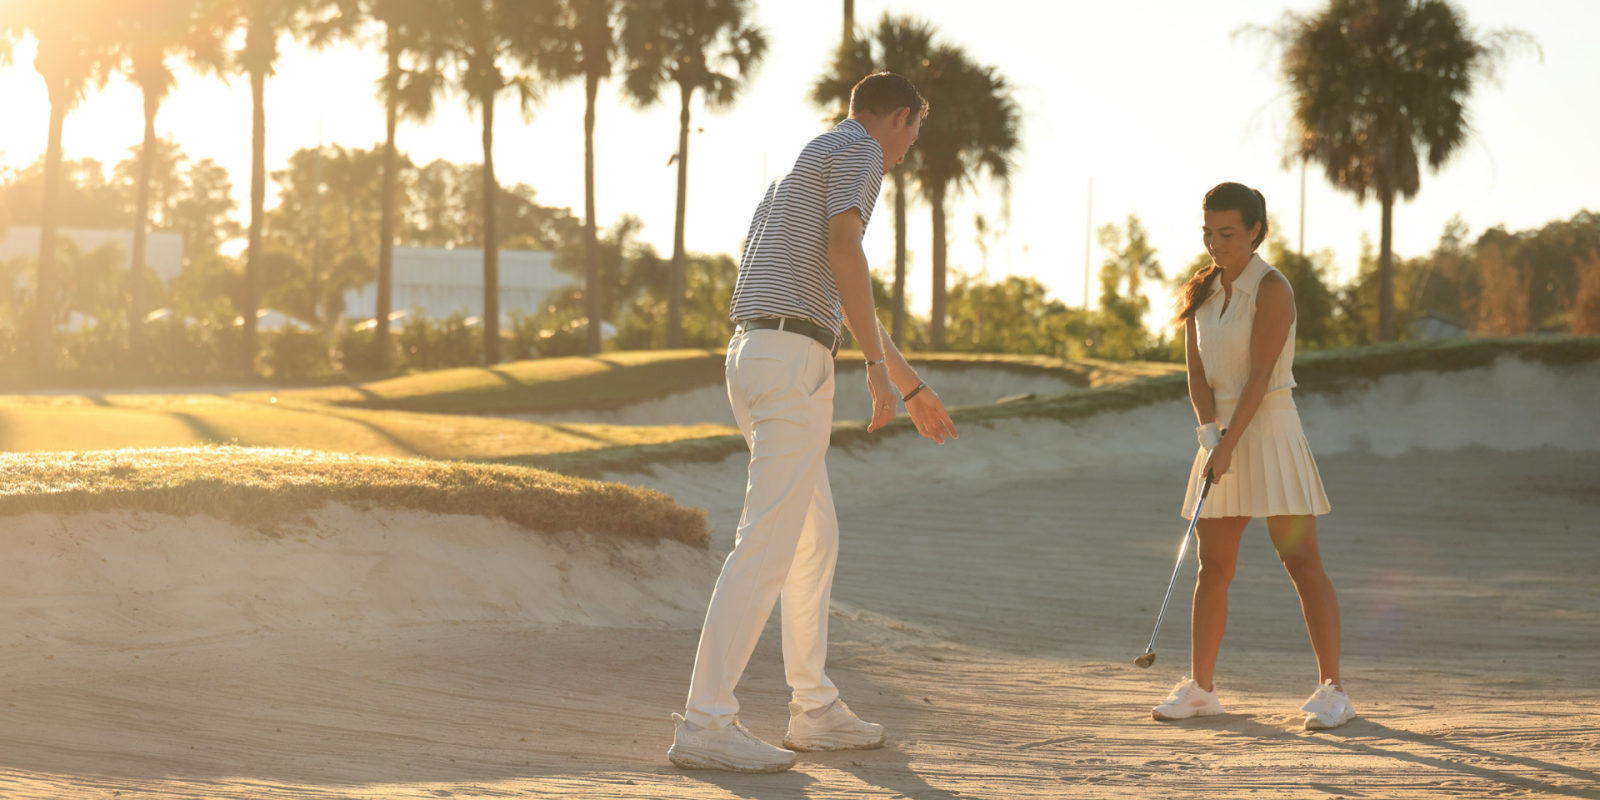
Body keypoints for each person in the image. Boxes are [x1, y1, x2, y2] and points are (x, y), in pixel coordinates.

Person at [667, 72, 961, 773]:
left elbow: (835, 281)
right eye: (912, 133)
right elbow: (844, 252)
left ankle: (815, 709)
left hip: (759, 354)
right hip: (793, 360)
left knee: (811, 540)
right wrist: (876, 368)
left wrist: (908, 381)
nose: (907, 151)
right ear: (897, 117)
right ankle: (706, 722)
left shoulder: (808, 159)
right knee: (768, 542)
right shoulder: (861, 152)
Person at [1150, 182, 1355, 731]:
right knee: (1212, 565)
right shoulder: (1201, 291)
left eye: (1228, 233)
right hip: (1221, 437)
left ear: (1256, 231)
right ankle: (1202, 690)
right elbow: (1197, 373)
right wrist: (1209, 436)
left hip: (1270, 432)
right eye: (1208, 234)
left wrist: (1229, 444)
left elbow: (1261, 377)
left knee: (1301, 560)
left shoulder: (1273, 289)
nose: (1216, 244)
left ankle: (1332, 690)